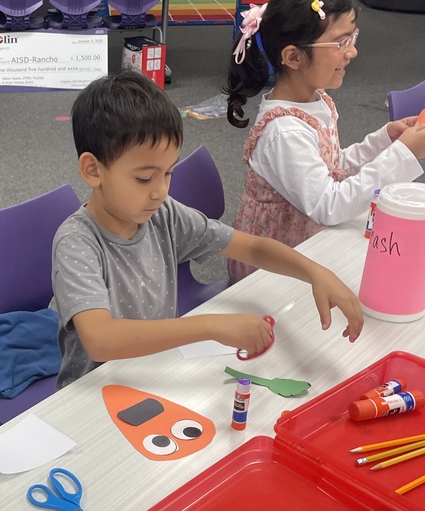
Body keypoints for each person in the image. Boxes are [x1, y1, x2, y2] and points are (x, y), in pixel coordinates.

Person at [52, 71, 364, 388]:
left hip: (154, 369)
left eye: (168, 173)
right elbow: (100, 339)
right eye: (145, 178)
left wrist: (314, 272)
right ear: (93, 170)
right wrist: (211, 325)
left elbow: (252, 248)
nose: (160, 191)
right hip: (92, 389)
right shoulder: (77, 241)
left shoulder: (163, 213)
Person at [224, 0, 425, 283]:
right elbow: (328, 205)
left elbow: (332, 166)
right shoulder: (283, 132)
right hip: (272, 267)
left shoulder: (317, 100)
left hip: (305, 245)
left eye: (352, 37)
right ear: (293, 57)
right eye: (341, 42)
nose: (352, 52)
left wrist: (385, 141)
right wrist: (403, 155)